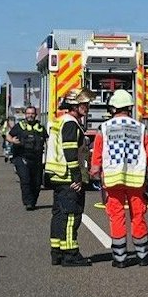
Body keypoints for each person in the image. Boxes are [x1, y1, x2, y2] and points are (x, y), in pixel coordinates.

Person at [90, 89, 148, 268]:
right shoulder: (141, 128)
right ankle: (143, 255)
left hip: (112, 180)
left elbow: (97, 156)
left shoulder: (104, 128)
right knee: (138, 215)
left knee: (117, 216)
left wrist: (95, 174)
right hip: (136, 180)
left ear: (113, 108)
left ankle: (120, 258)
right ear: (129, 107)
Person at [46, 91, 91, 267]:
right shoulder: (71, 124)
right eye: (83, 104)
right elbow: (70, 151)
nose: (87, 107)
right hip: (67, 177)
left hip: (58, 175)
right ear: (74, 106)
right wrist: (77, 177)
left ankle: (57, 251)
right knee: (72, 215)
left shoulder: (61, 121)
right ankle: (70, 254)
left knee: (59, 215)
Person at [6, 105, 48, 209]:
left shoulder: (40, 128)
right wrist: (12, 140)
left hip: (37, 159)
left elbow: (47, 141)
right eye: (28, 113)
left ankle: (33, 201)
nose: (30, 115)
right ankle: (28, 202)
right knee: (25, 180)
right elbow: (8, 136)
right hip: (21, 157)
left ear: (36, 115)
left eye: (32, 113)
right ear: (25, 115)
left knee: (37, 183)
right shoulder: (19, 126)